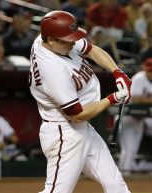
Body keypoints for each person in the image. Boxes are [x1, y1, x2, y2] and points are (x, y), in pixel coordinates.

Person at [29, 10, 132, 193]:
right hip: (64, 133)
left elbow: (92, 50)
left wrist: (117, 72)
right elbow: (77, 115)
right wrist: (113, 98)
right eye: (68, 39)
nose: (73, 42)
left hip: (82, 129)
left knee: (116, 185)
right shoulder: (52, 71)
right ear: (51, 39)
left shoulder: (49, 39)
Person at [119, 58, 152, 175]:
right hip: (127, 117)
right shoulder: (138, 78)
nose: (151, 73)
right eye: (149, 70)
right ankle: (122, 175)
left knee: (133, 149)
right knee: (128, 150)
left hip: (140, 119)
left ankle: (125, 175)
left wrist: (151, 101)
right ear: (145, 69)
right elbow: (136, 99)